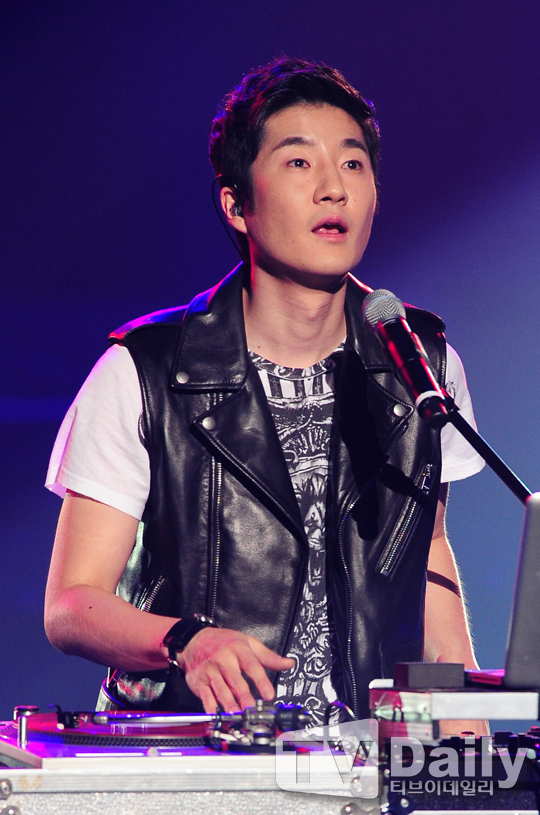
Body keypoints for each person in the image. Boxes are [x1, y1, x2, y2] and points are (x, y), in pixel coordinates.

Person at [45, 57, 485, 727]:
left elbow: (426, 555)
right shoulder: (146, 372)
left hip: (364, 748)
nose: (333, 189)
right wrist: (187, 641)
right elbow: (72, 605)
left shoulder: (420, 362)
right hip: (194, 747)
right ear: (236, 204)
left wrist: (464, 739)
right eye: (299, 163)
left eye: (353, 163)